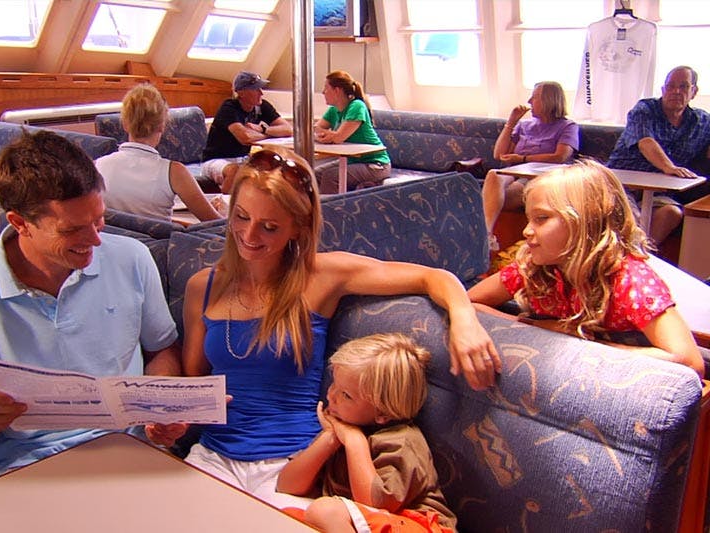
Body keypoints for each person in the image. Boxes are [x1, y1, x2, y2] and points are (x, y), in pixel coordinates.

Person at [180, 147, 499, 508]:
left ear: (298, 228)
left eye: (269, 227)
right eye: (240, 217)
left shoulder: (321, 276)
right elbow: (195, 382)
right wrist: (171, 420)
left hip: (292, 465)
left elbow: (432, 277)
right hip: (212, 457)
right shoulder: (201, 287)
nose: (249, 235)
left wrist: (464, 320)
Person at [0, 130, 188, 477]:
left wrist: (160, 407)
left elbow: (162, 351)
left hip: (132, 446)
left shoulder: (133, 258)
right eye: (73, 230)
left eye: (99, 219)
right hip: (33, 463)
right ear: (20, 223)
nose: (96, 239)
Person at [468, 160, 703, 377]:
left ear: (585, 223)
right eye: (528, 219)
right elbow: (470, 302)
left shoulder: (629, 279)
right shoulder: (534, 264)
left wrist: (585, 345)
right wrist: (537, 327)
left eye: (541, 219)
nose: (527, 231)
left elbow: (688, 361)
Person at [277, 333, 457, 533]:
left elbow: (375, 503)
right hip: (367, 523)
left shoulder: (402, 440)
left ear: (382, 412)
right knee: (285, 517)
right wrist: (330, 438)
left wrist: (355, 441)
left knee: (324, 511)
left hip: (418, 525)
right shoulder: (343, 426)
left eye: (346, 395)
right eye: (333, 383)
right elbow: (287, 485)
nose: (331, 395)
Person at [607, 65, 710, 246]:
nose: (676, 91)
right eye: (670, 86)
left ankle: (639, 258)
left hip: (658, 193)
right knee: (628, 217)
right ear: (663, 89)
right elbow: (646, 142)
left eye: (684, 86)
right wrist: (669, 167)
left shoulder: (701, 121)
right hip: (620, 185)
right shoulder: (645, 109)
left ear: (694, 91)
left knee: (672, 213)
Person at [95, 83, 222, 222]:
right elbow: (213, 222)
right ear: (162, 125)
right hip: (158, 243)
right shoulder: (174, 172)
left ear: (125, 124)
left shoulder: (99, 166)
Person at [481, 81, 579, 251]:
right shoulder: (524, 126)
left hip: (541, 177)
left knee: (499, 197)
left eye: (534, 97)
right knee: (493, 174)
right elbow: (499, 154)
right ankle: (485, 235)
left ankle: (485, 237)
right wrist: (511, 122)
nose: (529, 101)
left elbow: (560, 156)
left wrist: (523, 158)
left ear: (549, 100)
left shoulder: (567, 126)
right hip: (515, 172)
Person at [201, 71, 292, 193]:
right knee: (235, 171)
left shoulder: (262, 106)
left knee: (277, 166)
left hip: (243, 158)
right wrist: (267, 134)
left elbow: (287, 129)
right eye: (255, 89)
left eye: (260, 88)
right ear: (241, 92)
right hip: (216, 160)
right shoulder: (229, 108)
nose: (261, 93)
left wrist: (263, 129)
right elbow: (245, 138)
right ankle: (226, 207)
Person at [314, 70, 391, 194]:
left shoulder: (357, 106)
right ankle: (315, 211)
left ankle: (333, 211)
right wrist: (326, 135)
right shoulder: (334, 110)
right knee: (315, 174)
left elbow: (338, 138)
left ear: (337, 90)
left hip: (375, 164)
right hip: (352, 161)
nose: (323, 92)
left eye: (326, 88)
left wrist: (330, 135)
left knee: (331, 176)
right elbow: (316, 129)